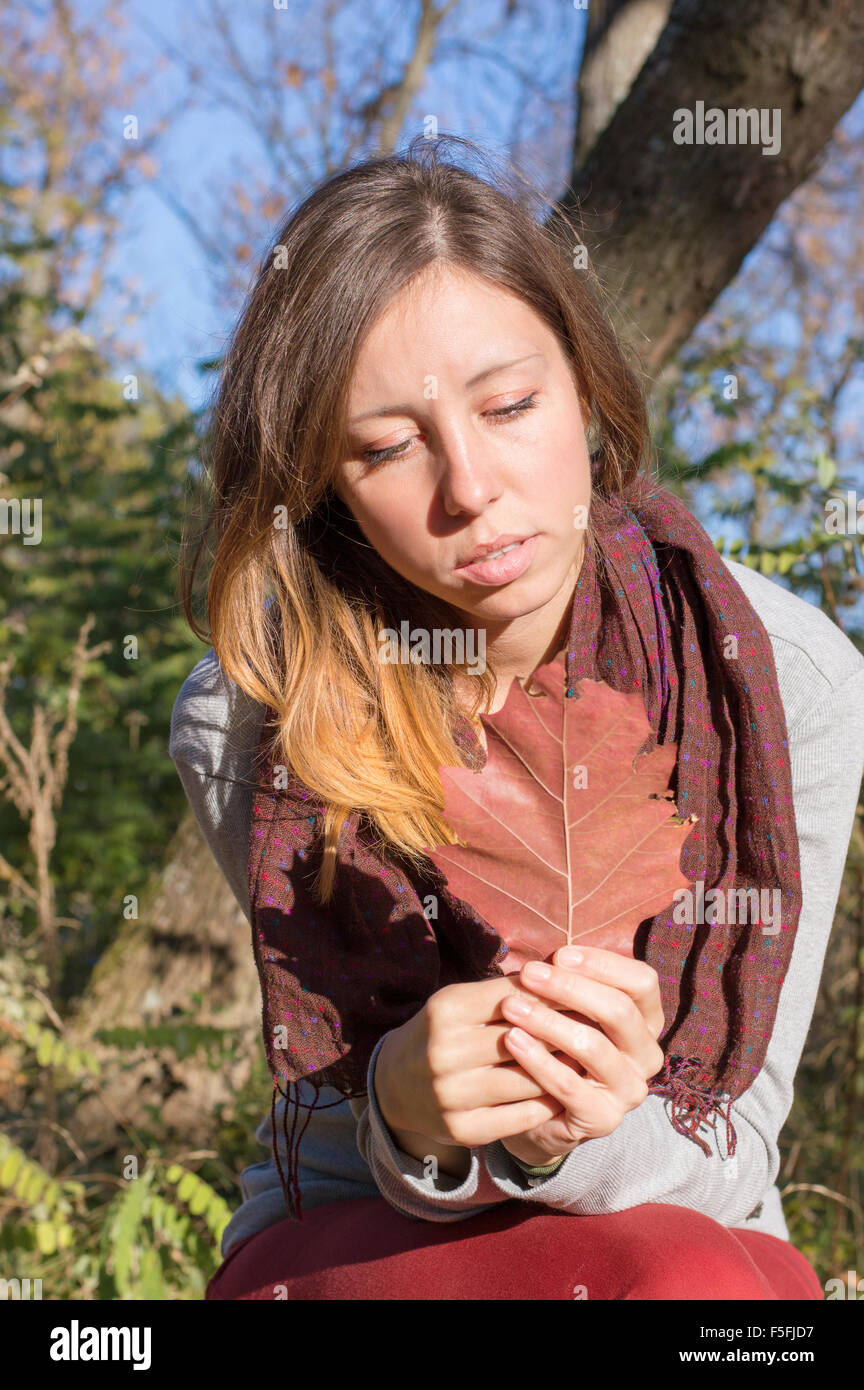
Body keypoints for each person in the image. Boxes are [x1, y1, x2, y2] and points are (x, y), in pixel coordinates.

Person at [170, 135, 864, 1300]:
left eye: (509, 404)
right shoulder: (250, 712)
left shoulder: (789, 683)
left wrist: (573, 1134)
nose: (471, 488)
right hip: (360, 1235)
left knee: (698, 1290)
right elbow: (332, 1136)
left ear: (584, 385)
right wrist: (401, 1102)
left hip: (683, 1231)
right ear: (321, 479)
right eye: (386, 446)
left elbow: (736, 1149)